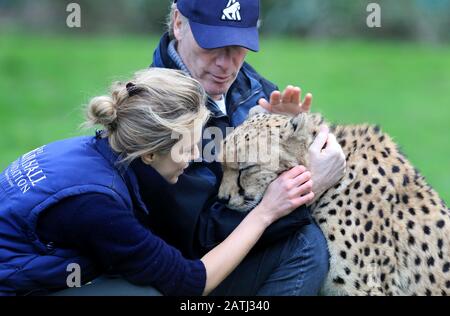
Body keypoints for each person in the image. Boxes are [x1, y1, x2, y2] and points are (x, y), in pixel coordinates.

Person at [0, 68, 317, 296]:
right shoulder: (96, 204)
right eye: (188, 146)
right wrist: (265, 214)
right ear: (151, 154)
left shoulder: (95, 153)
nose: (195, 156)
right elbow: (190, 283)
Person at [145, 0, 346, 295]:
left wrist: (299, 137)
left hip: (242, 253)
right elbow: (196, 238)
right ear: (178, 23)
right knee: (305, 246)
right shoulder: (156, 111)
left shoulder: (253, 87)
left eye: (238, 46)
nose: (226, 65)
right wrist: (307, 187)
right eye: (213, 44)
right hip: (189, 273)